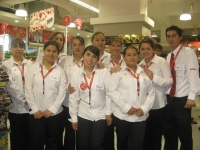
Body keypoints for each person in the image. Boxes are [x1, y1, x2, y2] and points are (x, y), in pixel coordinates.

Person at [109, 46, 155, 150]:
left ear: (138, 56)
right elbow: (112, 92)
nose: (132, 57)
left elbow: (151, 93)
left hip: (140, 116)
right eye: (128, 55)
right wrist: (126, 107)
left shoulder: (145, 73)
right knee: (122, 144)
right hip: (123, 115)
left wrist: (144, 109)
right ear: (123, 57)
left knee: (137, 145)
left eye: (134, 54)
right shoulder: (118, 72)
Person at [25, 40, 67, 150]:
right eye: (48, 50)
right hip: (36, 114)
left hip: (54, 114)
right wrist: (34, 108)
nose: (51, 53)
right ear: (44, 51)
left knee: (53, 142)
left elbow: (62, 92)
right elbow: (28, 89)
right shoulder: (33, 68)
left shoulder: (60, 71)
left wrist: (52, 109)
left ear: (57, 54)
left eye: (54, 51)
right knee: (36, 142)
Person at [69, 45, 112, 150]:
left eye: (94, 56)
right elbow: (74, 98)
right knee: (82, 144)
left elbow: (109, 94)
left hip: (100, 114)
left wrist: (108, 113)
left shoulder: (103, 72)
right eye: (88, 54)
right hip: (83, 114)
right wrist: (74, 118)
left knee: (96, 144)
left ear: (97, 59)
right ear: (83, 55)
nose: (90, 58)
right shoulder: (76, 74)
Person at [164, 25, 199, 150]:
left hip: (183, 99)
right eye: (168, 36)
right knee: (169, 131)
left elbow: (193, 75)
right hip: (170, 98)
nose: (171, 38)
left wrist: (191, 97)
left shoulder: (188, 53)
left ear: (180, 38)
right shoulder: (169, 56)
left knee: (184, 133)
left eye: (174, 36)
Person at [139, 39, 173, 150]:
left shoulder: (161, 62)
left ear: (153, 49)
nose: (145, 51)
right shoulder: (140, 65)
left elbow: (169, 81)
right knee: (144, 135)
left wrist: (154, 77)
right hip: (144, 106)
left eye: (148, 48)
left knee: (156, 136)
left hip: (158, 105)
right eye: (143, 49)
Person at [1, 38, 33, 150]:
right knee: (17, 138)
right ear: (11, 48)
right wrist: (23, 99)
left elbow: (33, 82)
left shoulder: (29, 63)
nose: (18, 49)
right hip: (15, 108)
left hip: (30, 108)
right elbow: (9, 85)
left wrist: (31, 99)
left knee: (29, 138)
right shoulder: (6, 65)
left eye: (21, 46)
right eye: (15, 46)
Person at [60, 36, 85, 150]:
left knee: (82, 132)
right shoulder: (65, 61)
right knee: (69, 132)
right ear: (71, 47)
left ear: (83, 46)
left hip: (84, 103)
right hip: (68, 102)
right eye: (74, 44)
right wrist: (66, 87)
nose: (77, 47)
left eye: (80, 44)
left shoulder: (89, 60)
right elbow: (60, 78)